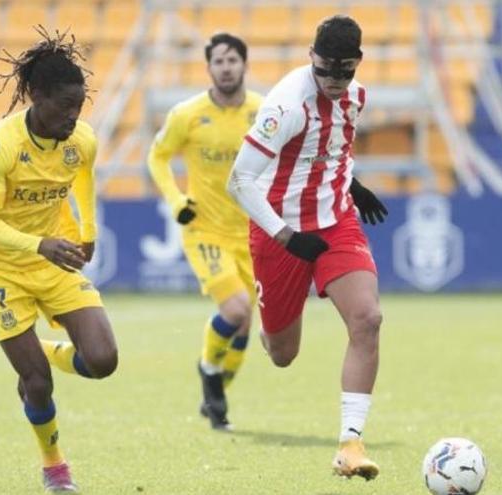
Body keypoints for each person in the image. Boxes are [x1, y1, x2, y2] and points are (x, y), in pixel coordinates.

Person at [227, 15, 388, 480]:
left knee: (368, 319)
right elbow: (239, 181)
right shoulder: (286, 106)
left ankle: (351, 444)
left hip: (336, 222)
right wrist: (286, 236)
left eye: (345, 72)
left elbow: (332, 150)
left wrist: (352, 186)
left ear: (358, 64)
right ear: (310, 58)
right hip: (280, 230)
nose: (335, 82)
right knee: (282, 353)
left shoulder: (356, 96)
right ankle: (268, 322)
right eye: (325, 71)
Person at [0, 27, 117, 493]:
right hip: (2, 267)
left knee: (103, 360)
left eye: (79, 107)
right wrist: (38, 245)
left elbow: (85, 176)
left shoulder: (81, 140)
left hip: (53, 261)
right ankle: (55, 469)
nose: (73, 117)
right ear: (36, 96)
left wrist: (87, 232)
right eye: (64, 107)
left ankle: (49, 351)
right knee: (36, 383)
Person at [148, 33, 262, 431]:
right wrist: (176, 201)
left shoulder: (264, 112)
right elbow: (158, 157)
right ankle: (209, 372)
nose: (226, 67)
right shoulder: (187, 115)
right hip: (206, 231)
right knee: (235, 310)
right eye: (219, 61)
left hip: (252, 234)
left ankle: (216, 389)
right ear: (209, 67)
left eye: (233, 60)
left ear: (244, 65)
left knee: (245, 328)